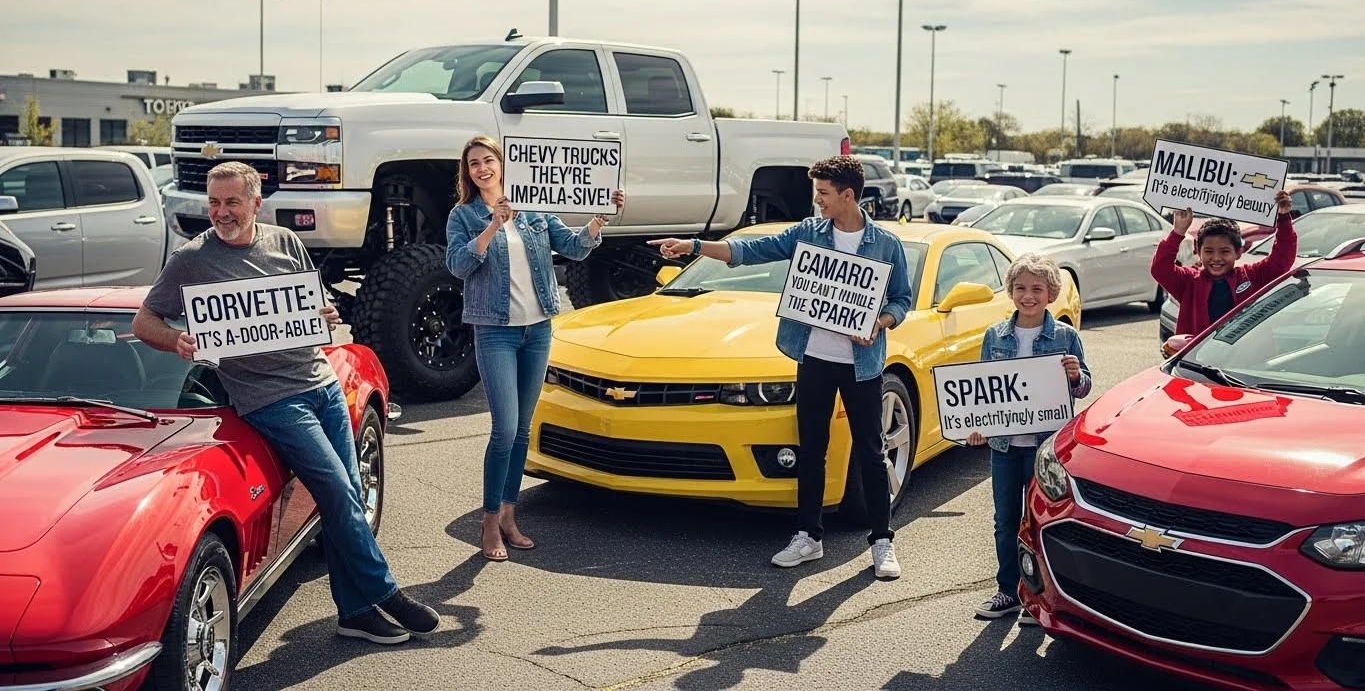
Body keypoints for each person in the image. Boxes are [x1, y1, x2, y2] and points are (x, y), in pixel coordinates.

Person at [133, 161, 439, 645]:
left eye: (232, 202)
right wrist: (177, 341)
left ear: (256, 203)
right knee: (337, 491)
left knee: (349, 495)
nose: (222, 212)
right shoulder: (192, 260)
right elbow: (143, 322)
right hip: (270, 398)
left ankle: (355, 612)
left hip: (320, 382)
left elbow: (310, 305)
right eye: (214, 202)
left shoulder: (286, 242)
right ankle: (386, 593)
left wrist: (325, 313)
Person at [647, 155, 913, 579]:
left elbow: (902, 299)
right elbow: (751, 250)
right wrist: (694, 247)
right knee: (811, 451)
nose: (817, 201)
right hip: (814, 359)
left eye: (823, 194)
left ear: (848, 195)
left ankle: (882, 542)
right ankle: (809, 537)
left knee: (871, 451)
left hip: (862, 364)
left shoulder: (885, 244)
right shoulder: (809, 233)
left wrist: (879, 324)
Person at [445, 135, 624, 562]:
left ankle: (509, 514)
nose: (482, 169)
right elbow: (457, 265)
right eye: (474, 164)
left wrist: (599, 218)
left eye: (488, 160)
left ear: (504, 164)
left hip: (538, 328)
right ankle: (489, 522)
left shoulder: (536, 207)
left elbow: (574, 247)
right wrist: (492, 226)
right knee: (504, 429)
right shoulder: (464, 215)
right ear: (467, 173)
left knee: (524, 430)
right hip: (495, 331)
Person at [963, 252, 1092, 623]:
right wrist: (975, 425)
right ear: (1010, 292)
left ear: (1051, 294)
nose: (1028, 295)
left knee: (1038, 523)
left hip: (1043, 450)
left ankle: (1038, 597)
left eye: (1037, 288)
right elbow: (983, 390)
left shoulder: (1065, 336)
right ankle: (1008, 591)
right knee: (1005, 521)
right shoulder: (995, 336)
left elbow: (1083, 387)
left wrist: (1074, 376)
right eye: (1020, 288)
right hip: (1004, 447)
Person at [1152, 191, 1297, 345]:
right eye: (1208, 251)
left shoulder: (1252, 276)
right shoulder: (1189, 282)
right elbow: (1160, 268)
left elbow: (1282, 258)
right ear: (1198, 251)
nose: (1216, 258)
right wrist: (1178, 232)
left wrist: (1283, 218)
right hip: (1197, 362)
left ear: (1239, 252)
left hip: (1242, 360)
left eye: (1225, 251)